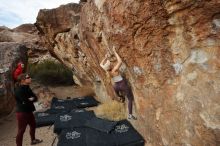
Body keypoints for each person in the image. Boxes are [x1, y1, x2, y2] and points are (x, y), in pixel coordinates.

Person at [100, 47, 137, 120]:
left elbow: (101, 64)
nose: (111, 63)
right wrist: (115, 52)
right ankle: (130, 115)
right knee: (130, 99)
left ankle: (121, 97)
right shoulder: (114, 69)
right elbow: (120, 61)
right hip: (122, 85)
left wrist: (105, 58)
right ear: (110, 66)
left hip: (116, 86)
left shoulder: (106, 70)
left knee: (119, 95)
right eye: (110, 64)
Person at [14, 73, 42, 146]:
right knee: (21, 130)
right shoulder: (18, 90)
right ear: (23, 80)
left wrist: (30, 99)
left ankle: (33, 140)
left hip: (29, 111)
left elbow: (35, 98)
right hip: (22, 113)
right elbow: (25, 101)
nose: (30, 78)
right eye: (28, 77)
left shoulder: (27, 87)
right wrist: (30, 99)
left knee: (33, 125)